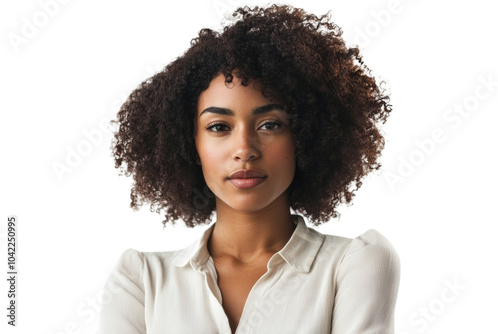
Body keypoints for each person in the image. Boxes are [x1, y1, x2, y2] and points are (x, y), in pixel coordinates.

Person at [97, 4, 400, 334]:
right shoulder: (141, 281)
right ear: (189, 144)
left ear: (306, 136)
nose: (244, 150)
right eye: (218, 127)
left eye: (270, 125)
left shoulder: (353, 266)